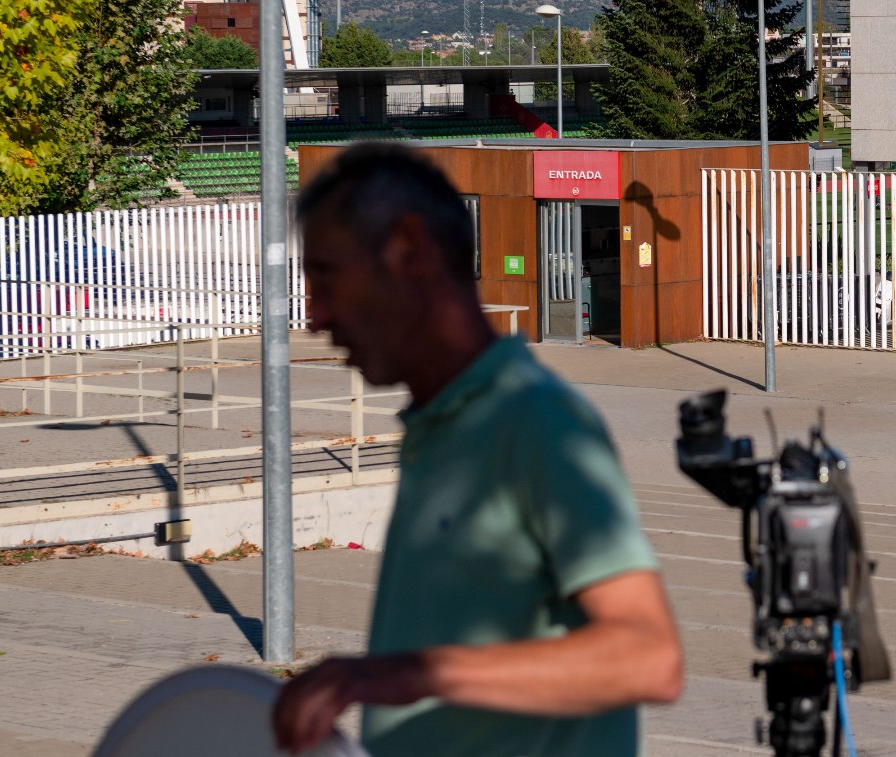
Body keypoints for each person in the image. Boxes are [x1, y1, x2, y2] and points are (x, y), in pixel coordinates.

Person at [273, 142, 683, 755]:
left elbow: (649, 658)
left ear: (409, 250)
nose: (314, 316)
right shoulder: (439, 429)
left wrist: (402, 676)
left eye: (326, 277)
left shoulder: (536, 423)